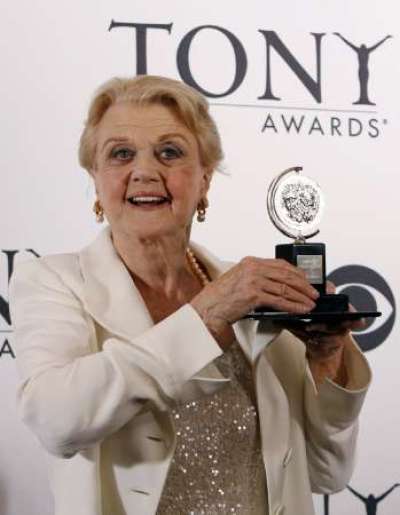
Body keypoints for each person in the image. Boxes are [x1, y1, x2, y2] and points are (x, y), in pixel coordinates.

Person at [10, 75, 371, 515]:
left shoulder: (253, 294)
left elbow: (326, 474)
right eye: (121, 153)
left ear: (204, 180)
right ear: (96, 181)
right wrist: (206, 317)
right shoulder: (53, 281)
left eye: (170, 152)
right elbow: (57, 421)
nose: (144, 171)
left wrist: (326, 355)